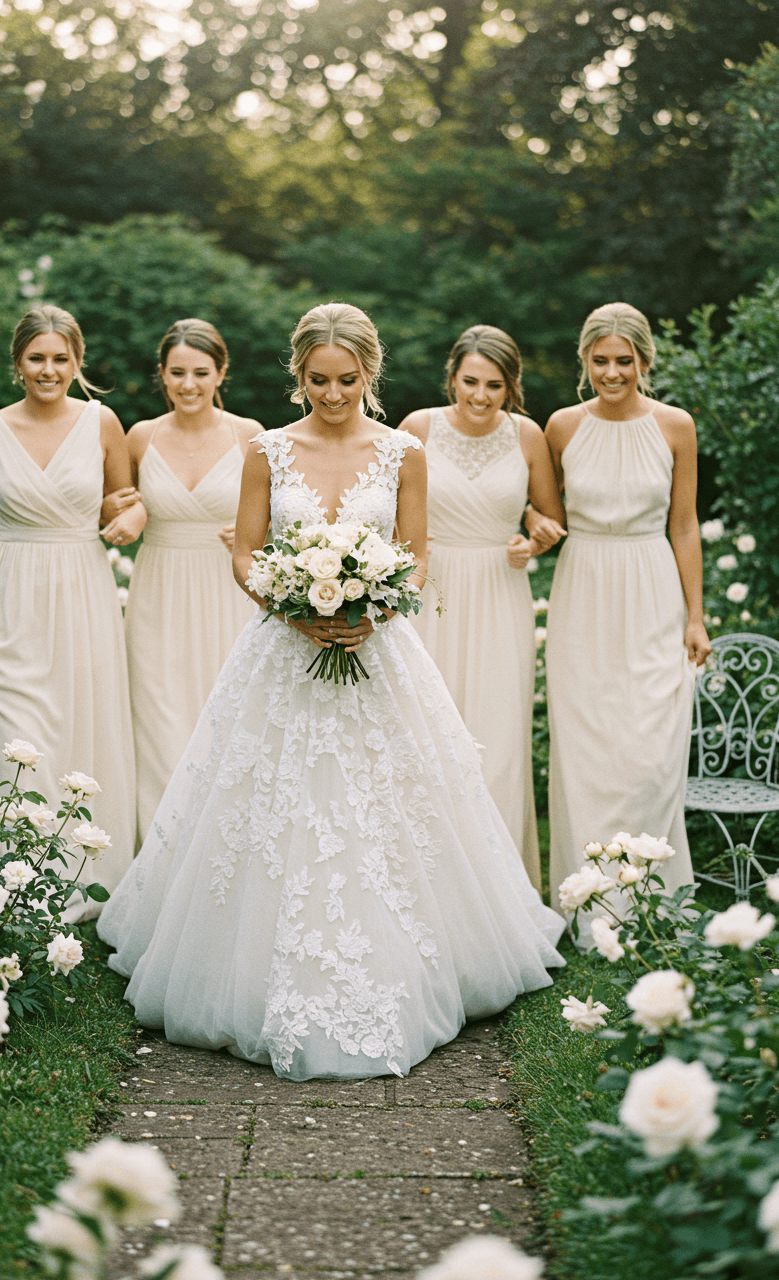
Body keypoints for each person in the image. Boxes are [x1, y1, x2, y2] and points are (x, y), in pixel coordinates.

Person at [97, 302, 565, 1081]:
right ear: (298, 375)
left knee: (389, 806)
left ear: (369, 375)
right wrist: (292, 604)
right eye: (318, 380)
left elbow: (416, 558)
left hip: (379, 650)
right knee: (276, 801)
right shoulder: (266, 451)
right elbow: (246, 553)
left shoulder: (404, 453)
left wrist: (373, 605)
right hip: (284, 649)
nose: (334, 393)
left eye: (348, 380)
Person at [0, 304, 143, 918]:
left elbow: (125, 503)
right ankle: (10, 868)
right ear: (18, 363)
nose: (49, 370)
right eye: (38, 358)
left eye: (61, 359)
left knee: (72, 725)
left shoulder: (102, 422)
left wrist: (130, 519)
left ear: (77, 362)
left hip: (80, 590)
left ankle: (74, 872)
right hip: (7, 593)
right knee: (13, 729)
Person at [542, 301, 709, 928]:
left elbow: (685, 524)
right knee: (586, 743)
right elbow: (545, 512)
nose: (613, 372)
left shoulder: (675, 426)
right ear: (585, 360)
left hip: (651, 586)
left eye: (625, 361)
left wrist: (696, 615)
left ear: (644, 361)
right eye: (601, 360)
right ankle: (591, 900)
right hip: (582, 587)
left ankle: (648, 894)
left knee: (648, 744)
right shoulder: (561, 426)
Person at [399, 326, 565, 889]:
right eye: (470, 381)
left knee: (497, 735)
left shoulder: (527, 434)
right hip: (430, 592)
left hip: (500, 591)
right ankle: (426, 879)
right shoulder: (416, 430)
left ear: (511, 386)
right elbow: (382, 511)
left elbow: (547, 516)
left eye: (494, 385)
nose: (480, 395)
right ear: (451, 378)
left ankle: (498, 886)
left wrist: (536, 536)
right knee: (424, 730)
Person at [100, 319, 262, 848]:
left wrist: (252, 530)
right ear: (162, 376)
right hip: (159, 594)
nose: (188, 384)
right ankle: (163, 857)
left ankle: (226, 851)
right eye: (176, 373)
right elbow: (116, 502)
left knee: (228, 722)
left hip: (227, 595)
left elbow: (283, 516)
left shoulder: (250, 435)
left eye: (200, 372)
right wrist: (135, 511)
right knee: (161, 721)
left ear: (221, 373)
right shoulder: (140, 435)